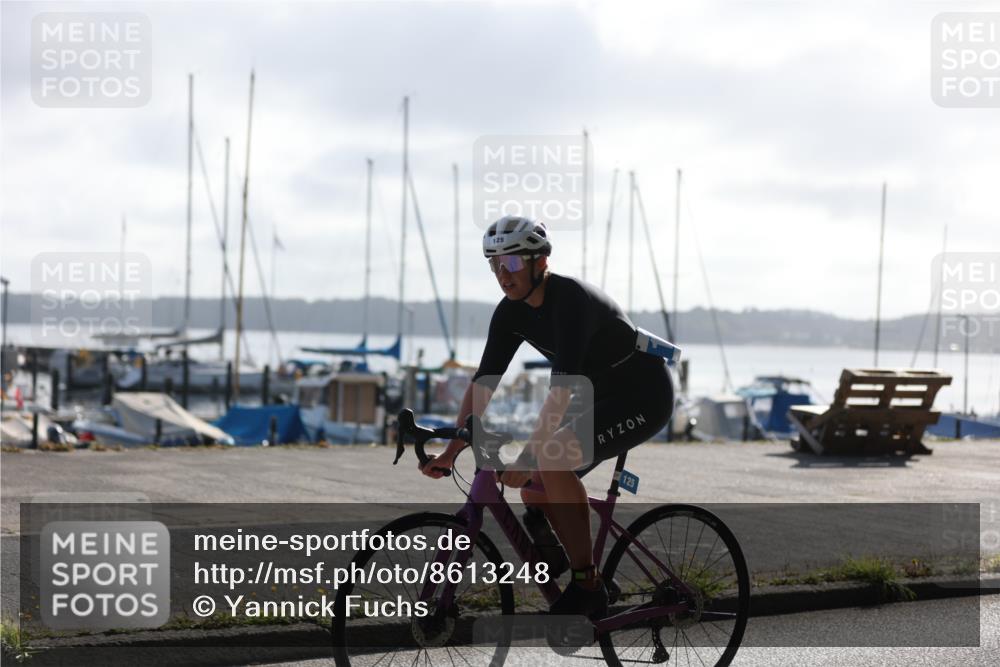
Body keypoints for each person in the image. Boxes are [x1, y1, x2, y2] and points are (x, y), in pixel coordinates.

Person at [420, 215, 675, 618]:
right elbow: (483, 384)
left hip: (641, 393)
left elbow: (561, 393)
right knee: (535, 488)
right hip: (599, 395)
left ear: (541, 262)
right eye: (495, 265)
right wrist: (451, 450)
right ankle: (575, 567)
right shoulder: (510, 313)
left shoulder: (570, 301)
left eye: (514, 263)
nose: (504, 275)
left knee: (549, 459)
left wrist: (529, 456)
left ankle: (587, 585)